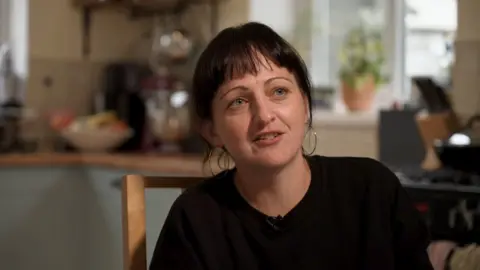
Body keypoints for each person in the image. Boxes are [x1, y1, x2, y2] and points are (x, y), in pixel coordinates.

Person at [149, 22, 433, 270]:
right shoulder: (195, 220)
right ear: (212, 131)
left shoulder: (373, 192)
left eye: (279, 91)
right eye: (238, 101)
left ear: (305, 105)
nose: (264, 115)